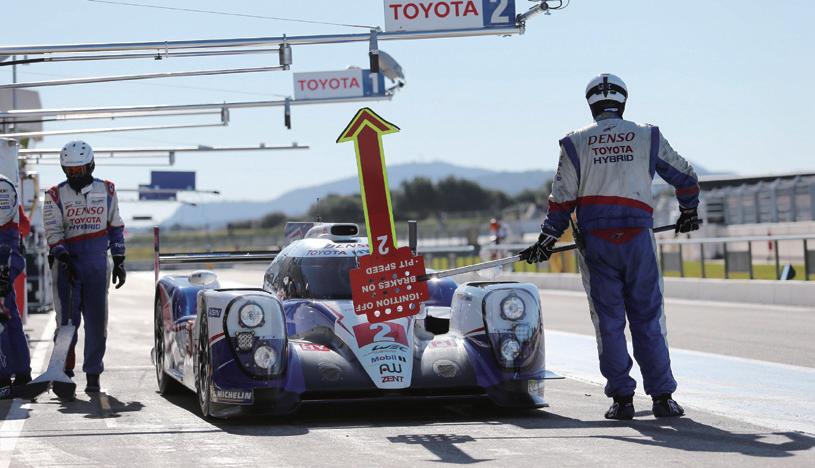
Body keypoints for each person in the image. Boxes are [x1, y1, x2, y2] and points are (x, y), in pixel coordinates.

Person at [520, 74, 700, 420]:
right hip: (639, 241)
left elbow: (561, 200)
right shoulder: (648, 135)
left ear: (591, 104)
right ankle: (663, 398)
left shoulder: (574, 142)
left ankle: (622, 400)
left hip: (597, 246)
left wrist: (546, 241)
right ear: (624, 102)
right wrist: (688, 212)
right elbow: (686, 176)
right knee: (648, 320)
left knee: (609, 324)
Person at [42, 140, 126, 394]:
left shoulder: (108, 190)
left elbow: (116, 226)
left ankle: (93, 375)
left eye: (79, 169)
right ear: (64, 169)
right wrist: (63, 257)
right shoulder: (54, 194)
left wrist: (119, 259)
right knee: (67, 323)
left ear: (90, 166)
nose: (75, 174)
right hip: (66, 265)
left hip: (97, 265)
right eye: (71, 170)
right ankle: (63, 373)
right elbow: (53, 231)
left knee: (97, 322)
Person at [0, 174, 31, 399]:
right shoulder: (6, 184)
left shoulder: (4, 186)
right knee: (10, 318)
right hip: (9, 257)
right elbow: (25, 226)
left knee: (4, 318)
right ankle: (22, 374)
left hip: (5, 257)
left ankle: (3, 379)